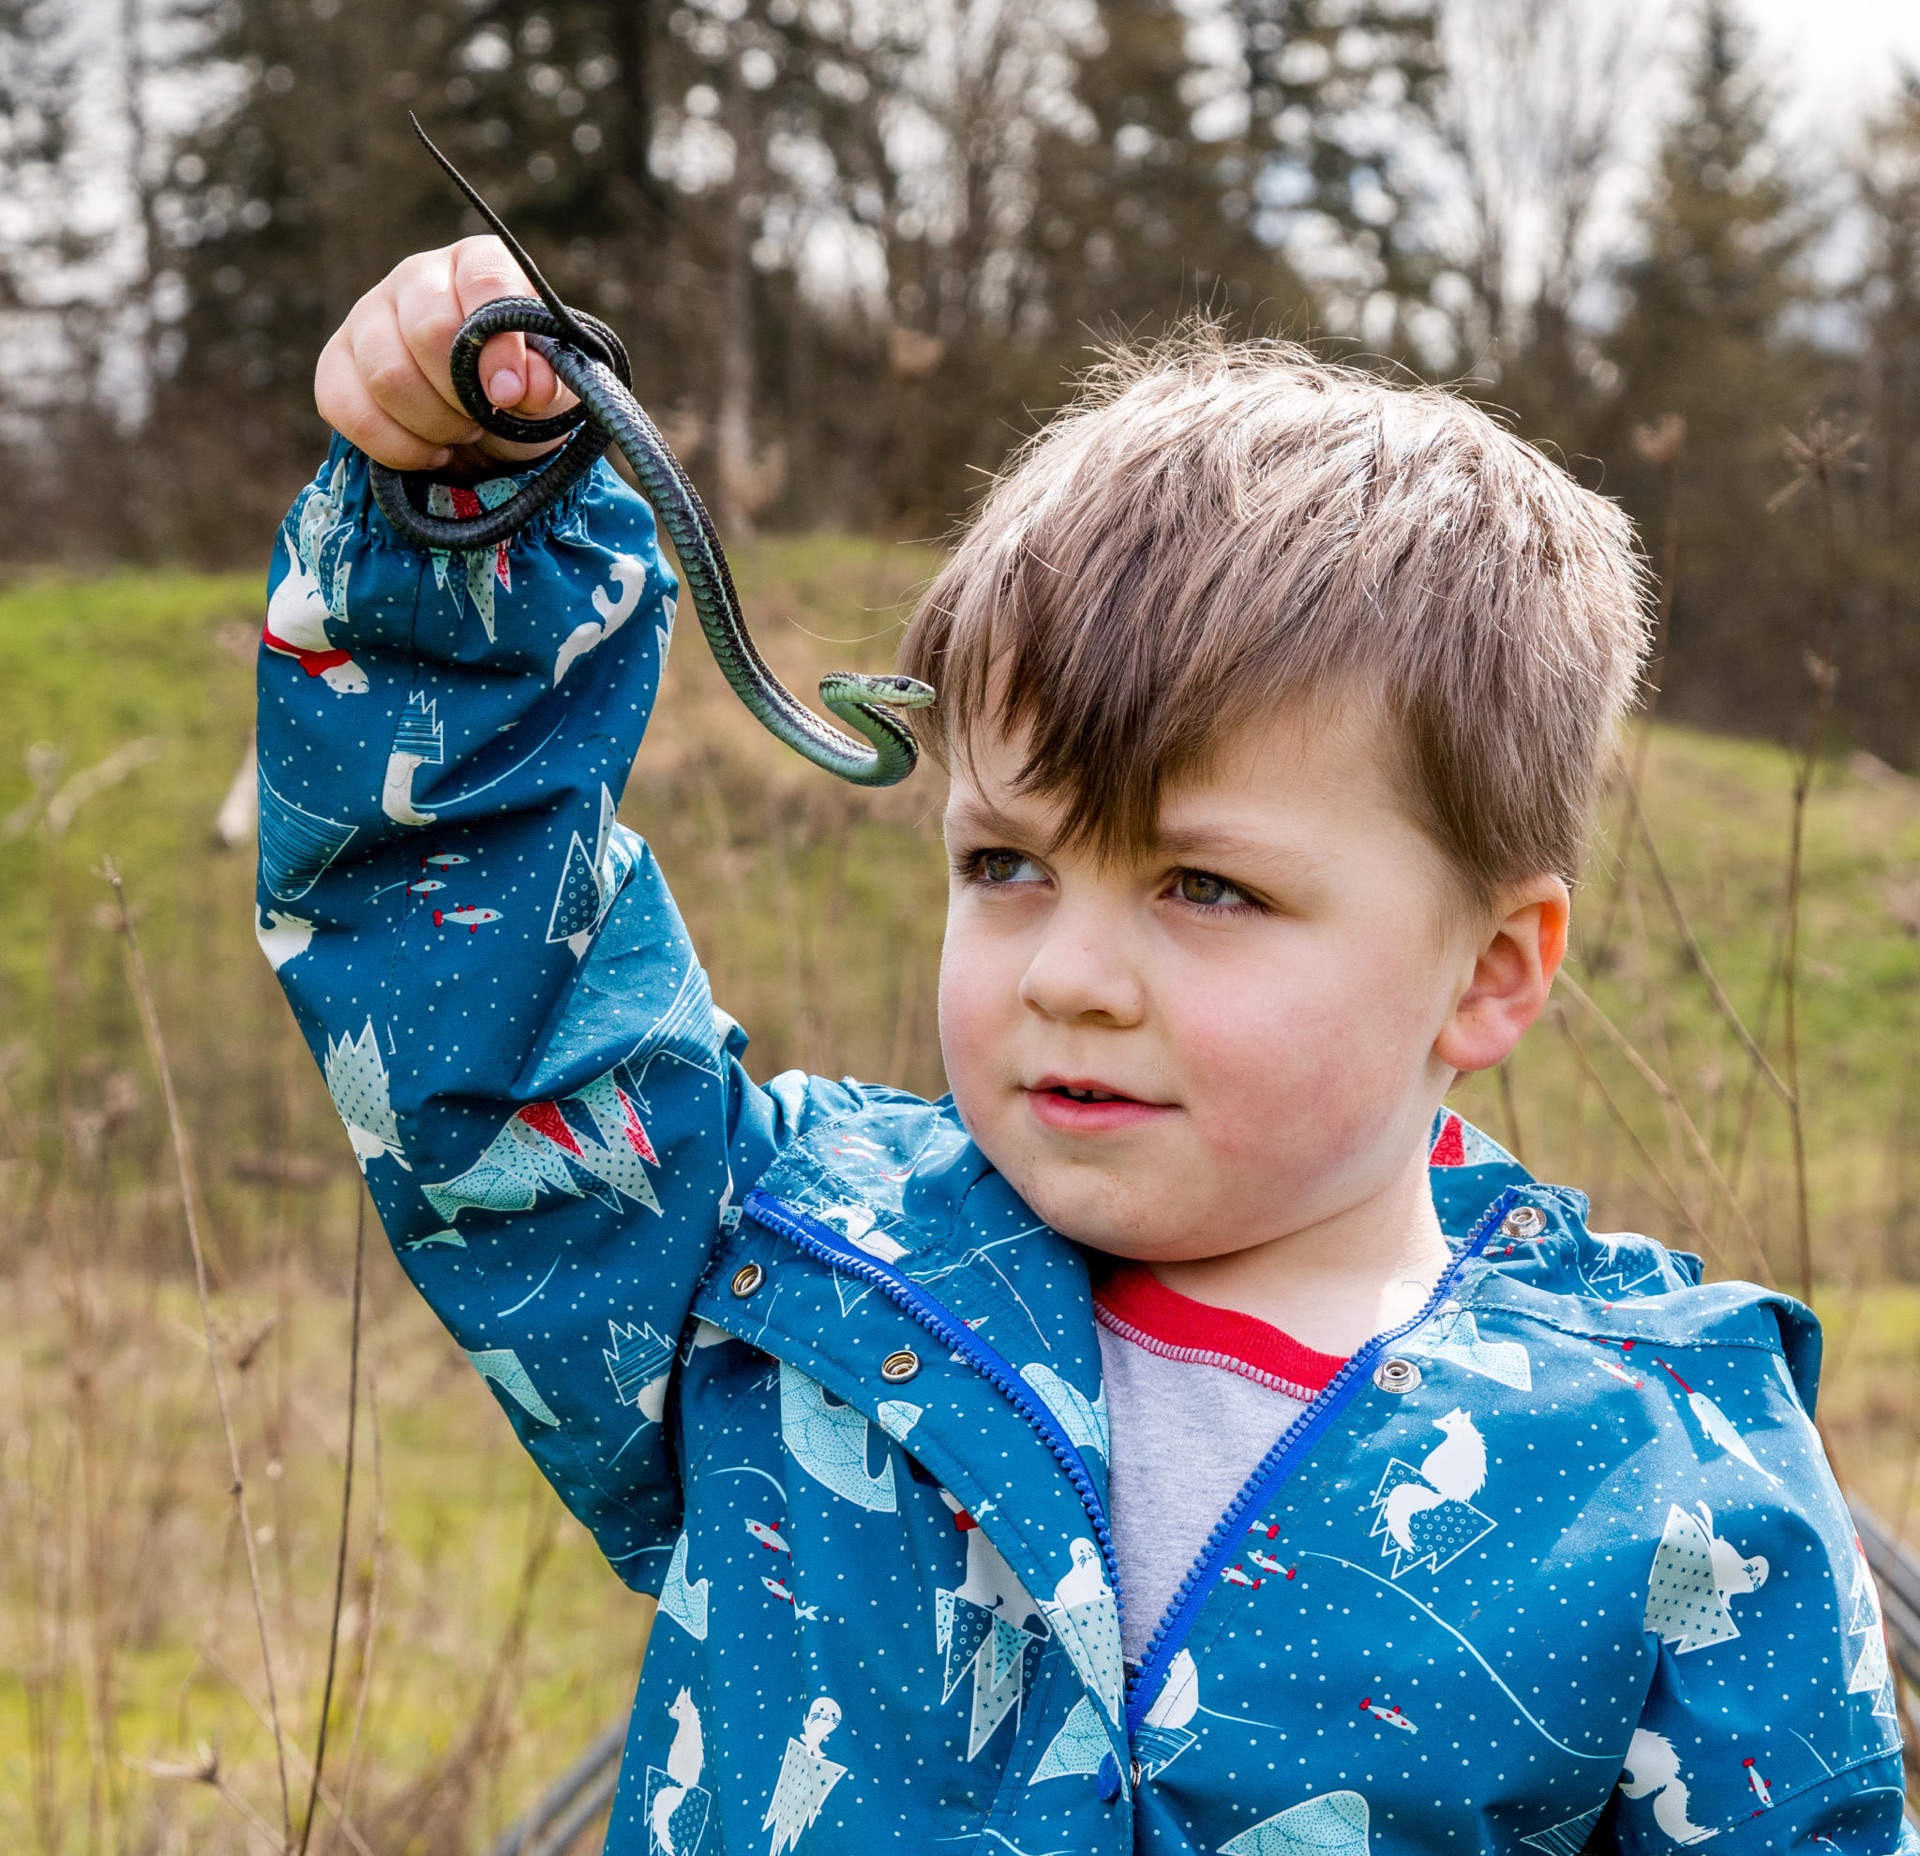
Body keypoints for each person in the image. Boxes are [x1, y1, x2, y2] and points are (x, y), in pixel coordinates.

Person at [261, 234, 1912, 1855]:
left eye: (1206, 885)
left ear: (1487, 973)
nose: (1072, 975)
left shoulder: (1663, 1484)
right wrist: (462, 556)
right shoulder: (781, 1283)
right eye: (1007, 866)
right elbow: (478, 988)